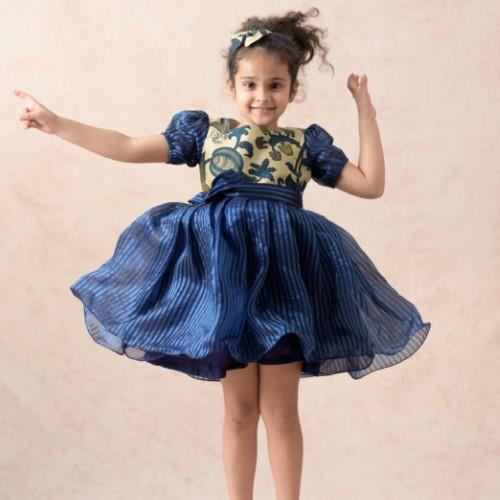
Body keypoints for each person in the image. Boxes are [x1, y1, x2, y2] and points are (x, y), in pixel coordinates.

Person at [15, 7, 431, 500]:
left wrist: (365, 112)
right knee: (238, 413)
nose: (262, 96)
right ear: (231, 87)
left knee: (280, 412)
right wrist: (56, 123)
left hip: (282, 288)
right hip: (226, 287)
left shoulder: (303, 146)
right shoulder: (207, 135)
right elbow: (126, 146)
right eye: (250, 84)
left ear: (292, 90)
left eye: (275, 85)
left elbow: (371, 184)